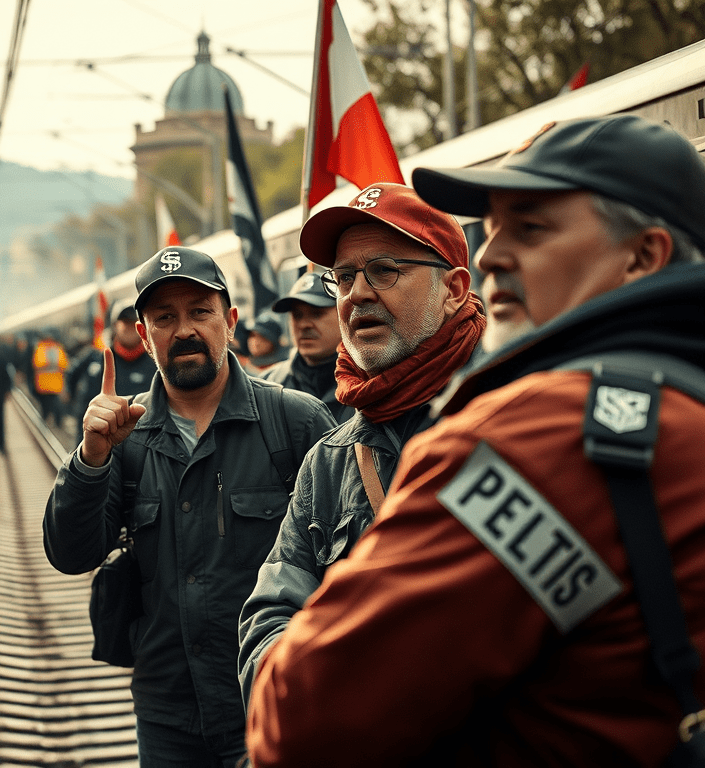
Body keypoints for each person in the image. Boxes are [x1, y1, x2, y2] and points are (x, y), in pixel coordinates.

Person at [246, 114, 705, 766]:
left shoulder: (524, 434)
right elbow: (271, 610)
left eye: (530, 228)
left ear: (643, 257)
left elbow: (298, 719)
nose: (489, 254)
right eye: (342, 278)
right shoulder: (679, 401)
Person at [43, 246, 336, 767]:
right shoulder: (123, 436)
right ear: (143, 334)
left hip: (274, 702)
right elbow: (70, 554)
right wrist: (90, 458)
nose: (184, 330)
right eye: (164, 318)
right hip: (168, 715)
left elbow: (349, 563)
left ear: (230, 321)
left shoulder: (294, 422)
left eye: (200, 312)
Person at [237, 181, 485, 709]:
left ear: (454, 289)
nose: (357, 294)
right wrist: (322, 694)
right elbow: (269, 619)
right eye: (345, 277)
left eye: (385, 270)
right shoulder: (331, 461)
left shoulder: (517, 415)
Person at [258, 271, 353, 423]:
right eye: (297, 315)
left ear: (344, 314)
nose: (303, 325)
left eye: (316, 314)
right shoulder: (267, 385)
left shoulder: (368, 384)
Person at [69, 301, 158, 446]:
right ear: (115, 325)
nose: (129, 328)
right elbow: (71, 376)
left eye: (133, 323)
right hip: (97, 441)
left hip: (143, 445)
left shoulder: (155, 363)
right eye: (124, 322)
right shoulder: (97, 358)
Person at [31, 330, 69, 427]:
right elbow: (64, 364)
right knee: (50, 404)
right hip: (51, 384)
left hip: (48, 384)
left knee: (49, 404)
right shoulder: (57, 348)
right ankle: (53, 422)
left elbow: (38, 364)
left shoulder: (41, 348)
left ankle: (48, 421)